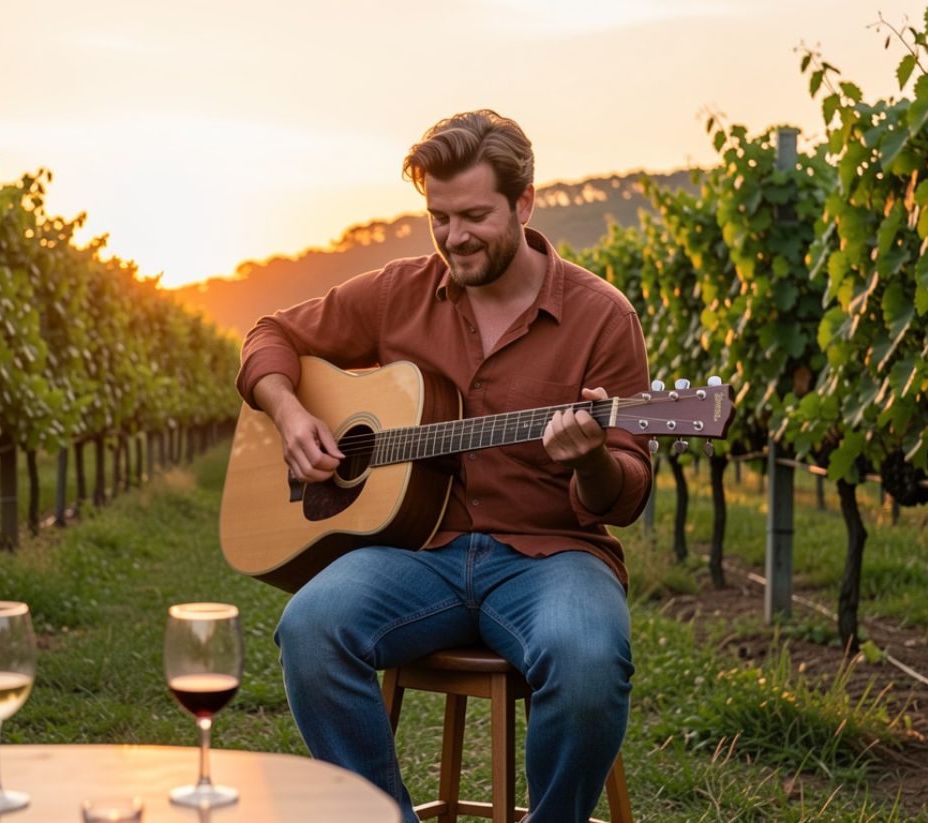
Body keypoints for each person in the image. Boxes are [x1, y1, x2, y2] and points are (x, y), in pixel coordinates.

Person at [234, 110, 651, 823]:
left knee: (586, 662)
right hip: (417, 554)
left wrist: (592, 464)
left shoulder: (601, 317)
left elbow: (626, 492)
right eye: (439, 217)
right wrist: (290, 411)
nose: (454, 237)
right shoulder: (395, 293)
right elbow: (269, 334)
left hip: (553, 556)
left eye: (475, 216)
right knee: (310, 628)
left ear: (524, 203)